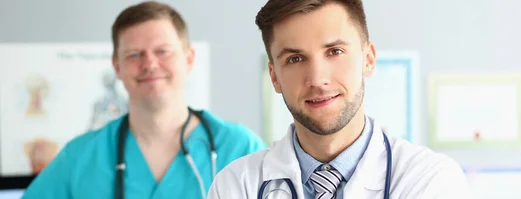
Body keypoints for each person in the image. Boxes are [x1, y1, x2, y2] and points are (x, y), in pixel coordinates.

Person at [207, 0, 471, 198]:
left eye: (334, 51)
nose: (317, 79)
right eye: (295, 59)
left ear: (368, 59)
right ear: (274, 77)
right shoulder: (236, 185)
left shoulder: (429, 179)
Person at [22, 1, 266, 199]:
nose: (149, 64)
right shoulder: (81, 157)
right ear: (117, 67)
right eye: (134, 54)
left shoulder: (241, 148)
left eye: (163, 51)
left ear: (189, 59)